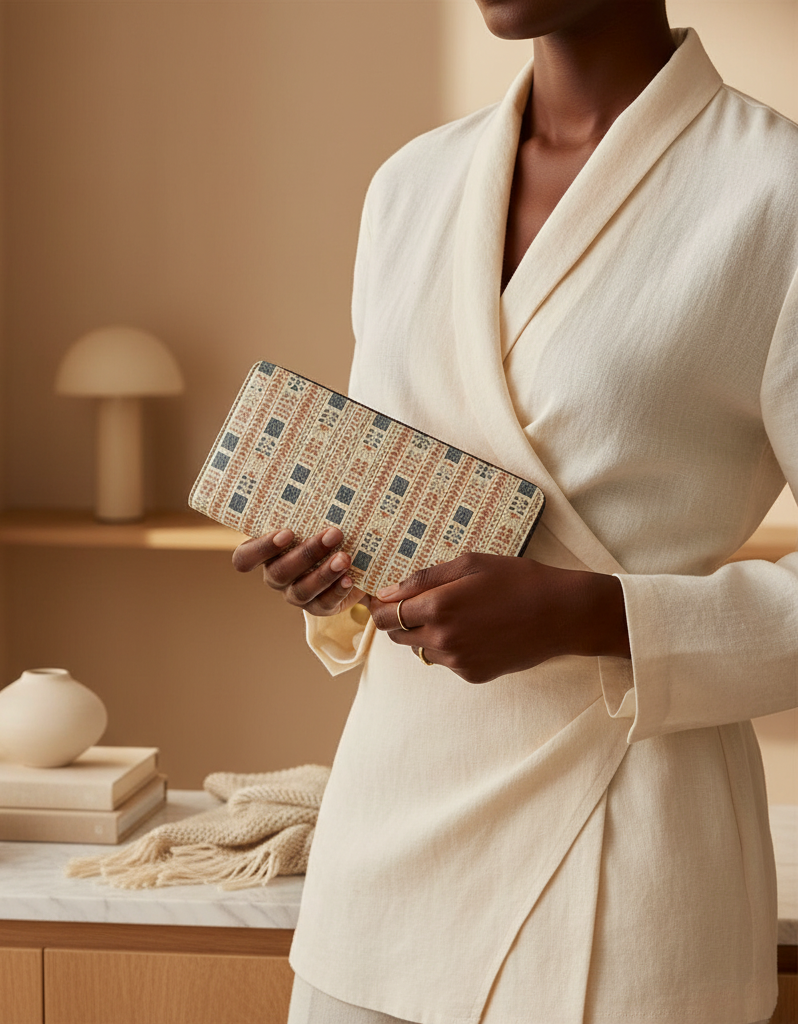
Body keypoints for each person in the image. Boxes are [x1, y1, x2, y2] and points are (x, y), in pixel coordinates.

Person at [232, 1, 797, 1021]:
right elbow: (396, 506)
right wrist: (334, 580)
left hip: (625, 864)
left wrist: (588, 615)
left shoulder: (773, 193)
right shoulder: (411, 186)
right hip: (380, 867)